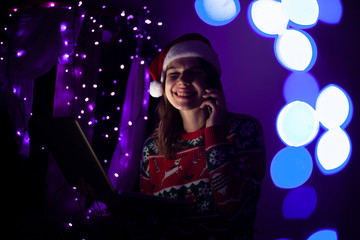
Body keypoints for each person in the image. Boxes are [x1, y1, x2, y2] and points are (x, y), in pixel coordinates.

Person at [140, 33, 266, 239]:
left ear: (210, 80)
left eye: (193, 73)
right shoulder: (152, 148)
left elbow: (231, 206)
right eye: (174, 74)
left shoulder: (244, 129)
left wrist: (214, 130)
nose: (182, 80)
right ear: (163, 87)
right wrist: (116, 205)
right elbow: (146, 222)